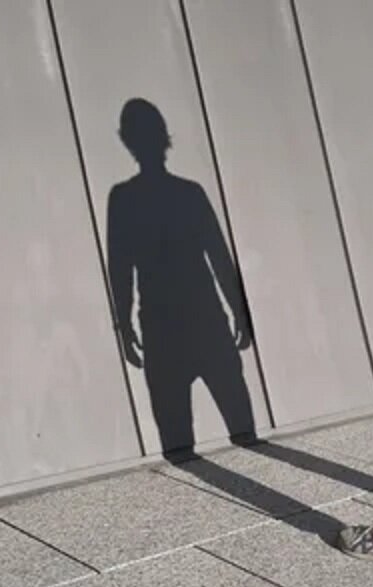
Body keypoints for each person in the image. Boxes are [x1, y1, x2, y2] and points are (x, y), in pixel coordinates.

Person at [107, 98, 254, 451]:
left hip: (161, 330)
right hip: (207, 321)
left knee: (178, 447)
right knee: (244, 431)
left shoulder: (124, 199)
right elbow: (219, 258)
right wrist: (240, 312)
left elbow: (121, 270)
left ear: (127, 141)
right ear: (164, 136)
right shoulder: (188, 194)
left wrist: (124, 325)